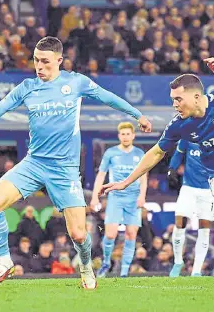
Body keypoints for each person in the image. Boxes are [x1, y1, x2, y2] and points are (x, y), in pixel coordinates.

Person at [0, 36, 152, 289]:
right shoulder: (27, 86)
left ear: (59, 60)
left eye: (45, 61)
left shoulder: (75, 82)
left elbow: (107, 97)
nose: (39, 67)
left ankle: (86, 266)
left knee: (79, 234)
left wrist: (137, 115)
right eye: (36, 61)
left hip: (64, 169)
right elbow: (2, 106)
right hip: (33, 163)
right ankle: (4, 261)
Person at [101, 65, 214, 275]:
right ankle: (182, 265)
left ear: (197, 97)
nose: (174, 105)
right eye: (172, 100)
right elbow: (155, 153)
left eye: (178, 99)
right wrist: (127, 181)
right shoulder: (179, 125)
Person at [90, 122, 147, 277]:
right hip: (116, 197)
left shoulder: (140, 154)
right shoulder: (111, 153)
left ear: (133, 135)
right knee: (110, 234)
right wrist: (95, 196)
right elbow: (101, 175)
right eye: (123, 134)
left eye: (128, 134)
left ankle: (124, 271)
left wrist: (142, 196)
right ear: (119, 136)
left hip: (133, 198)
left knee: (131, 234)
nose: (126, 137)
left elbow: (143, 177)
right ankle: (106, 262)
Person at [167, 140, 213, 277]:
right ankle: (178, 261)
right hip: (188, 188)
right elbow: (178, 153)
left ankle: (197, 270)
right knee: (179, 222)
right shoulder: (188, 136)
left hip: (208, 190)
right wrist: (172, 169)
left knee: (204, 228)